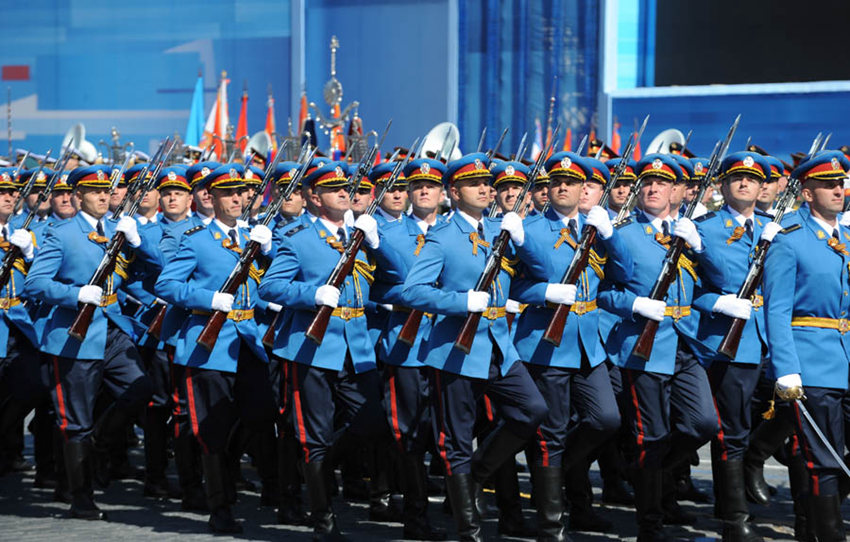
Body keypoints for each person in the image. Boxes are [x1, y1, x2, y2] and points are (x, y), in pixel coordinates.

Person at [401, 152, 549, 541]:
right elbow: (414, 291)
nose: (485, 189)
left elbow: (541, 271)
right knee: (457, 439)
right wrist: (460, 302)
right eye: (474, 184)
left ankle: (477, 474)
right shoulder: (443, 237)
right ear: (454, 191)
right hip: (456, 350)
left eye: (488, 183)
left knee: (532, 410)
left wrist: (522, 239)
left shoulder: (500, 229)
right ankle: (469, 531)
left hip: (500, 345)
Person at [258, 160, 404, 539]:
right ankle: (323, 519)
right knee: (315, 435)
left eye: (346, 188)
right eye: (333, 188)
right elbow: (270, 287)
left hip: (358, 349)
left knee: (375, 423)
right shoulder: (297, 237)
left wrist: (377, 242)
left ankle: (318, 472)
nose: (344, 193)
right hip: (312, 348)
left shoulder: (358, 234)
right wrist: (311, 294)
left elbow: (400, 276)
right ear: (312, 196)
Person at [598, 153, 726, 541]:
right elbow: (605, 291)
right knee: (650, 435)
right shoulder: (624, 234)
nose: (652, 189)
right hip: (644, 344)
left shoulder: (690, 230)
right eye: (647, 183)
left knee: (703, 423)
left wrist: (700, 246)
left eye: (661, 184)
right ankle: (649, 523)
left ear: (678, 191)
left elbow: (721, 280)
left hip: (686, 342)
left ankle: (650, 475)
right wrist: (634, 304)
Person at [509, 152, 633, 537]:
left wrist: (613, 237)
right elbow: (510, 286)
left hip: (589, 344)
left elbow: (629, 275)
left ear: (585, 190)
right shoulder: (528, 229)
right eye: (556, 182)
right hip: (546, 344)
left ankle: (559, 473)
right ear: (548, 189)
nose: (563, 187)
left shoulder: (596, 231)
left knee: (605, 419)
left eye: (572, 182)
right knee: (553, 432)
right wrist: (544, 291)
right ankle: (550, 522)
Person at [25, 164, 153, 520]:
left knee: (142, 389)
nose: (102, 196)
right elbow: (35, 284)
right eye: (94, 191)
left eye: (106, 190)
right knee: (75, 420)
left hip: (112, 330)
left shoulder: (119, 229)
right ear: (78, 196)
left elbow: (148, 271)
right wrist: (75, 293)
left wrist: (140, 242)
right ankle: (81, 497)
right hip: (73, 336)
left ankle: (96, 442)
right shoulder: (62, 234)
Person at [762, 150, 850, 541]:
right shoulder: (790, 239)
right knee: (824, 461)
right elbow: (777, 310)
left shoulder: (846, 238)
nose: (838, 190)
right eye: (828, 185)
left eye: (841, 184)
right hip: (812, 363)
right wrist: (786, 367)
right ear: (806, 191)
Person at [692, 151, 773, 541]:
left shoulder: (776, 229)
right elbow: (687, 291)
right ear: (722, 186)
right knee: (732, 429)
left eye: (752, 179)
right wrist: (717, 302)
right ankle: (733, 515)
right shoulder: (704, 229)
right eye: (736, 178)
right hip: (731, 342)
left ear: (762, 187)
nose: (744, 184)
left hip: (774, 339)